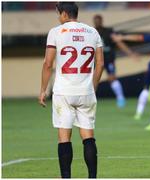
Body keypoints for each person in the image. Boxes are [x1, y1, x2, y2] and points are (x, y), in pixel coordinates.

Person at [38, 2, 104, 178]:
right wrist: (93, 86)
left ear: (65, 14)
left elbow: (48, 64)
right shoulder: (92, 32)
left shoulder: (56, 32)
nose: (58, 17)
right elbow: (100, 63)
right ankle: (92, 177)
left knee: (64, 137)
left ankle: (66, 177)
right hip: (86, 92)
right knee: (88, 136)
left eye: (59, 14)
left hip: (64, 92)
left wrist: (43, 90)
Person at [93, 14, 137, 108]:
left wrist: (130, 53)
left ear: (101, 21)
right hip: (96, 59)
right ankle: (89, 98)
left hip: (108, 58)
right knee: (92, 78)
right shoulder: (91, 32)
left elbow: (119, 42)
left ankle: (120, 98)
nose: (97, 22)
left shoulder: (108, 31)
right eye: (95, 21)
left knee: (112, 78)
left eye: (98, 20)